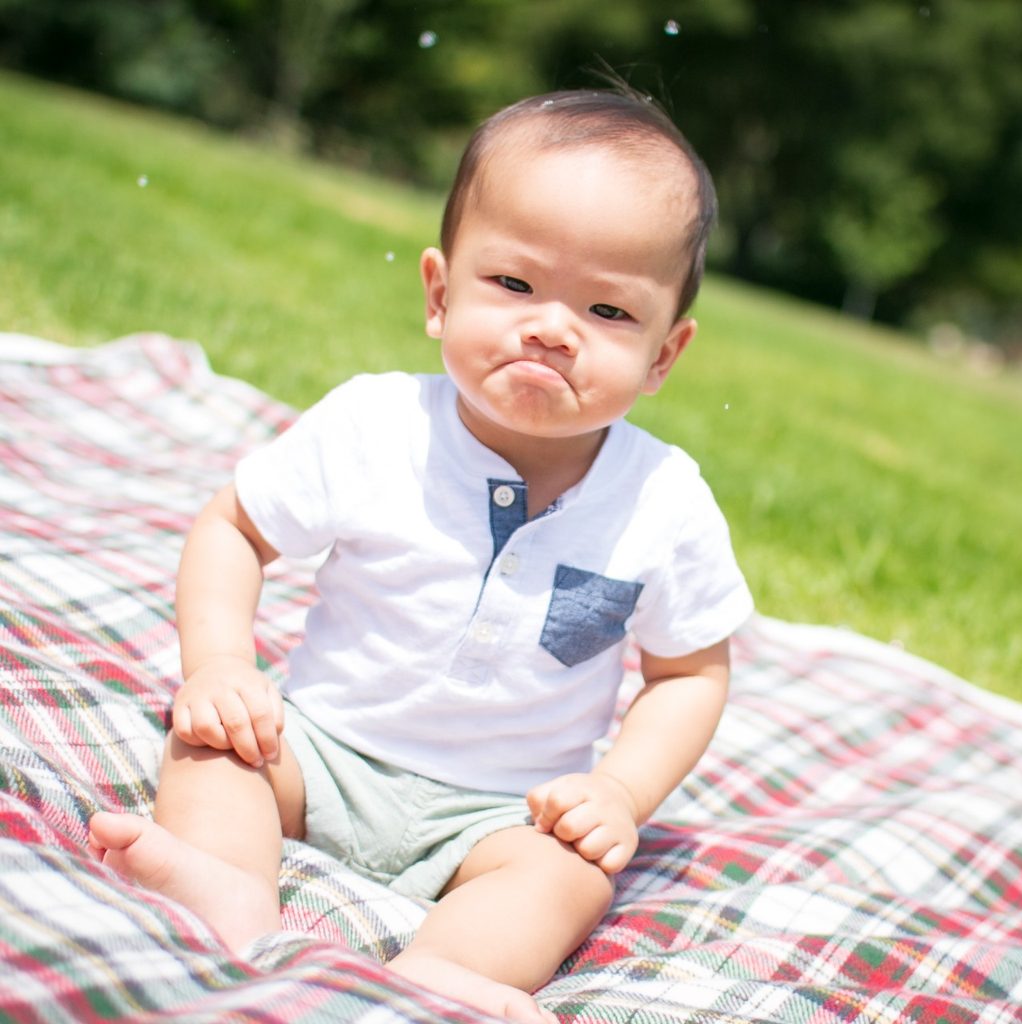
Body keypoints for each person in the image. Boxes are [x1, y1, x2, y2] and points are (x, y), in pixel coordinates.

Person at [88, 85, 754, 1024]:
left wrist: (617, 791)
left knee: (569, 877)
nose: (552, 327)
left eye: (608, 309)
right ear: (441, 294)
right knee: (211, 747)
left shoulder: (664, 501)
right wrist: (222, 664)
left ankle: (447, 969)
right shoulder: (377, 425)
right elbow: (234, 529)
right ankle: (225, 886)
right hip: (315, 747)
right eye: (514, 285)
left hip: (506, 810)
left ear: (664, 356)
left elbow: (689, 674)